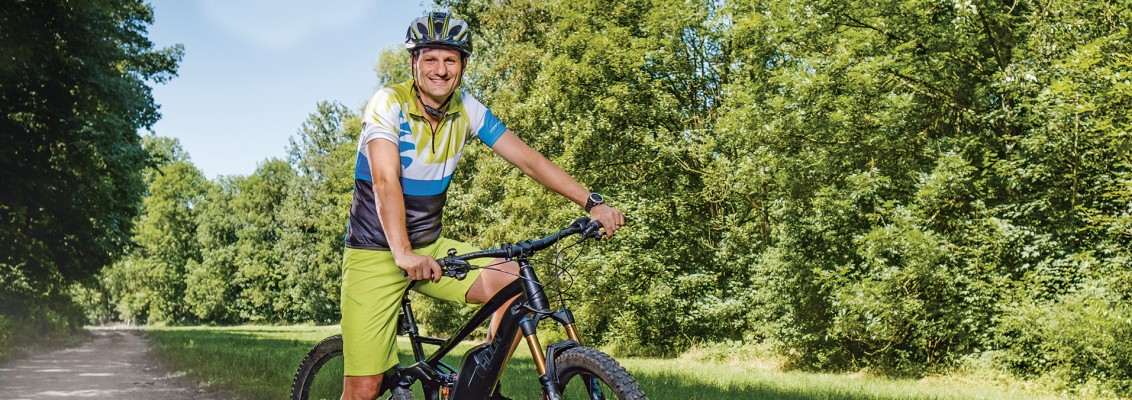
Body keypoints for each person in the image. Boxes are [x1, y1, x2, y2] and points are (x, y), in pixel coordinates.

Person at [339, 12, 626, 400]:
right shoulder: (387, 103)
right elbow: (385, 180)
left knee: (513, 282)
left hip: (430, 248)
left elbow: (528, 159)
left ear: (462, 66)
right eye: (431, 59)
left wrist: (592, 202)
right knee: (363, 389)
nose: (441, 70)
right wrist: (402, 253)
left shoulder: (466, 109)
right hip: (376, 254)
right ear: (414, 63)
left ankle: (478, 389)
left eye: (450, 60)